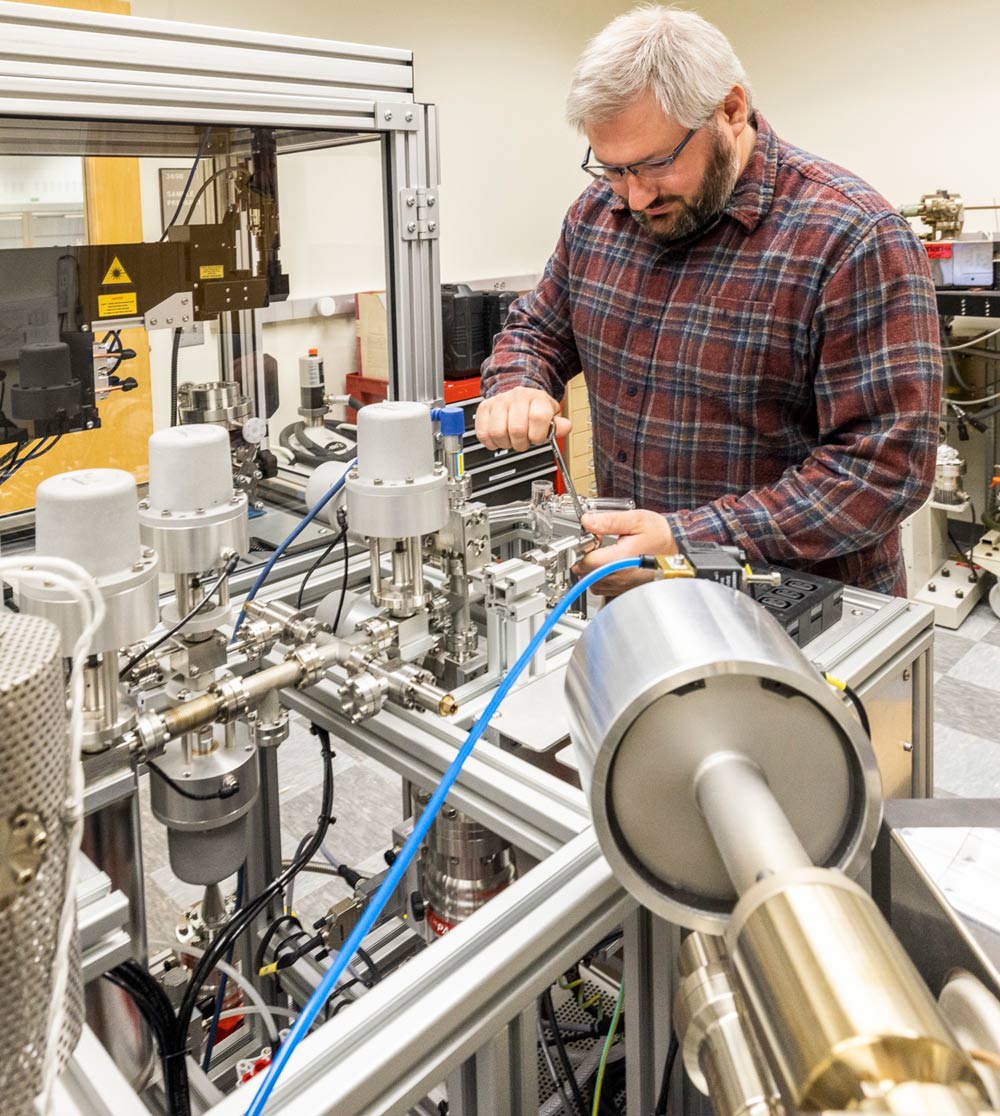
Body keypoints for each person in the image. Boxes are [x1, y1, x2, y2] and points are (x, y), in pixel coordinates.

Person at [477, 5, 941, 597]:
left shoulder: (851, 237)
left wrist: (689, 541)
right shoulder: (597, 216)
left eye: (655, 163)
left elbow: (884, 470)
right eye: (612, 169)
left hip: (793, 603)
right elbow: (537, 330)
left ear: (731, 110)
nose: (635, 197)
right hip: (641, 594)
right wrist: (517, 383)